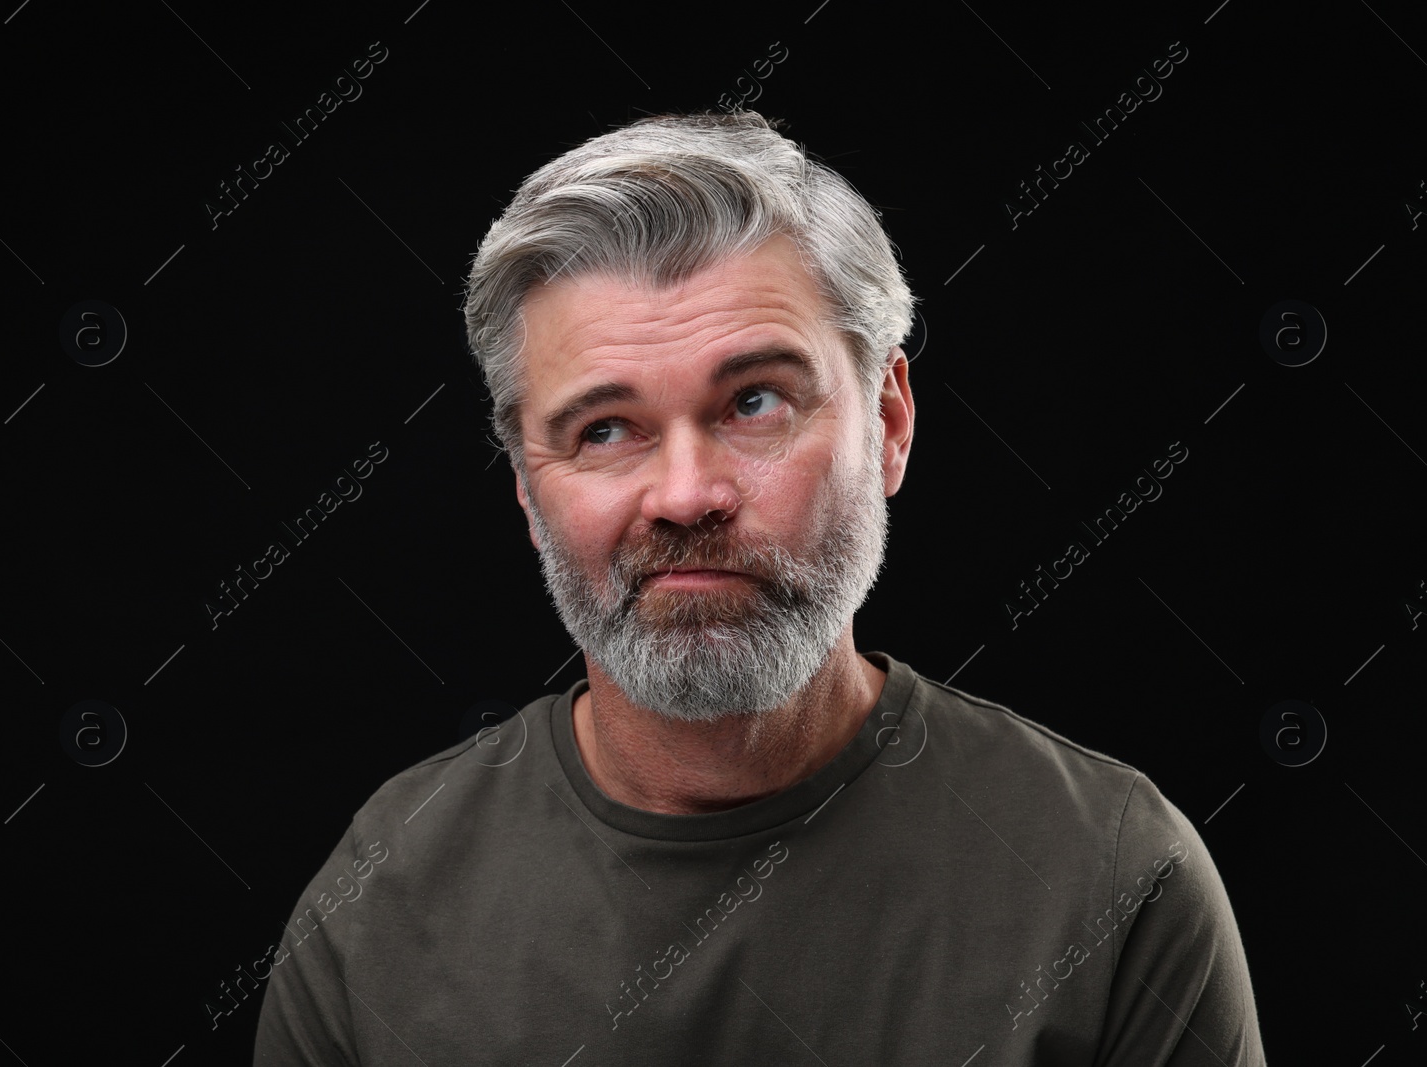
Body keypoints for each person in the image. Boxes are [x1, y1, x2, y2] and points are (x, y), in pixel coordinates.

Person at [254, 110, 1267, 1064]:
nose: (686, 495)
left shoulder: (1112, 879)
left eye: (753, 402)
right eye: (603, 428)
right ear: (526, 484)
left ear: (889, 420)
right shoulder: (380, 895)